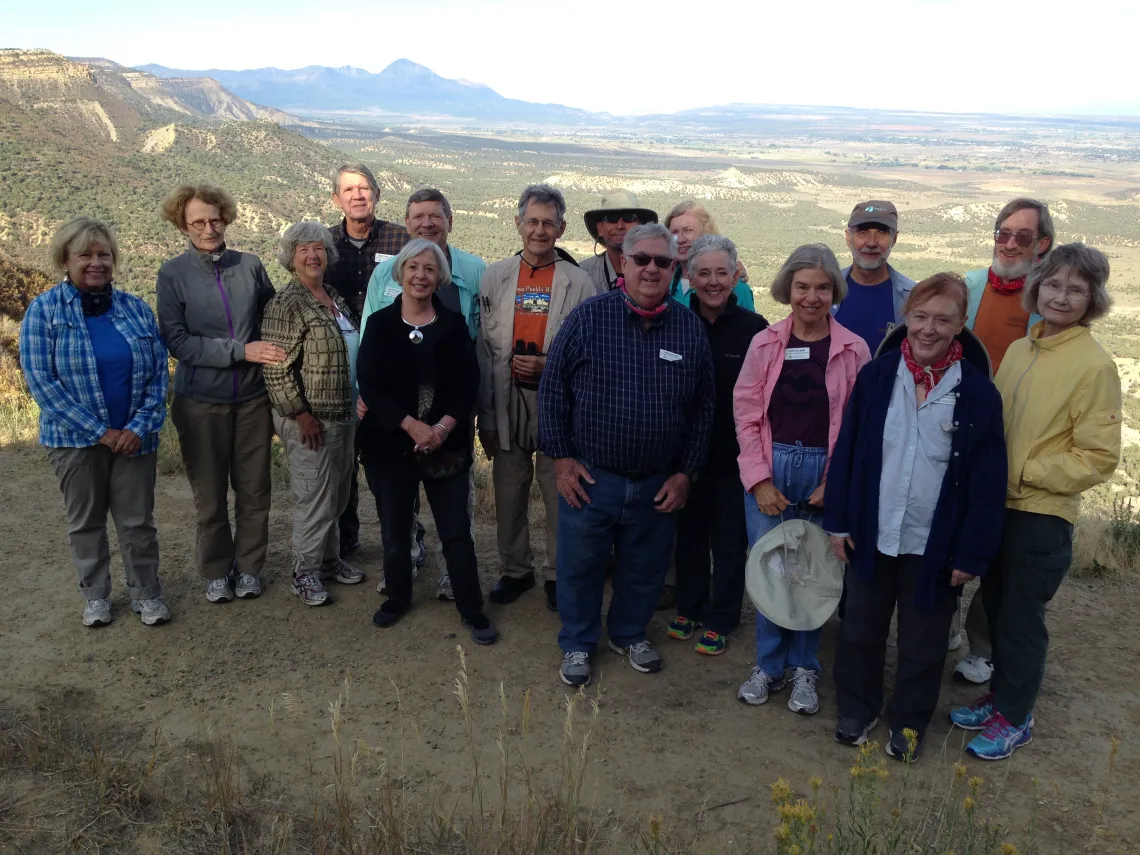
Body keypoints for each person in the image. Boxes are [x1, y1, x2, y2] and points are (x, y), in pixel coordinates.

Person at [823, 274, 1007, 759]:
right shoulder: (877, 377)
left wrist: (973, 552)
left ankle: (908, 723)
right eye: (920, 316)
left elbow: (989, 484)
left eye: (942, 319)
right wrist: (838, 521)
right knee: (860, 629)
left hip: (935, 543)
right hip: (871, 531)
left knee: (923, 644)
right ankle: (857, 709)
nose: (928, 329)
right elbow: (847, 452)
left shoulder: (979, 395)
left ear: (960, 325)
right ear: (906, 318)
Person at [951, 243, 1121, 761]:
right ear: (1036, 288)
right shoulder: (1026, 348)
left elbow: (1097, 456)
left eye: (1075, 289)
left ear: (1093, 299)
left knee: (1022, 619)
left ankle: (1017, 717)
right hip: (997, 507)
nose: (1061, 296)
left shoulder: (1093, 366)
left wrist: (1023, 472)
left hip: (1040, 515)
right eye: (1052, 285)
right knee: (996, 607)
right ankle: (1002, 697)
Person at [538, 223, 715, 687]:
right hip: (593, 477)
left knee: (645, 568)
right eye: (642, 259)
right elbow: (554, 391)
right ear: (625, 263)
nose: (652, 268)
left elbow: (703, 410)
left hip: (658, 481)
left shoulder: (689, 328)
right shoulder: (588, 318)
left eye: (663, 261)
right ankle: (577, 643)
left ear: (675, 268)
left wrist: (686, 475)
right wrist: (561, 459)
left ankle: (629, 633)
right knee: (580, 567)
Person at [733, 244, 870, 715]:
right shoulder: (765, 343)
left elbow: (858, 426)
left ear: (835, 290)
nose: (812, 297)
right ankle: (768, 666)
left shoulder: (854, 349)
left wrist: (836, 484)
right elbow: (746, 414)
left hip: (822, 470)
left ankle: (804, 667)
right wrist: (757, 479)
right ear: (787, 290)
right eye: (802, 286)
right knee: (769, 569)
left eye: (822, 287)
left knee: (813, 571)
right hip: (771, 467)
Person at [21, 218, 171, 627]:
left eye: (103, 254)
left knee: (137, 521)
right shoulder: (44, 311)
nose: (95, 263)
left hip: (134, 439)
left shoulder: (135, 309)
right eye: (85, 255)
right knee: (85, 522)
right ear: (65, 260)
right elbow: (42, 383)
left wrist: (138, 427)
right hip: (74, 441)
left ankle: (146, 592)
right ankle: (96, 596)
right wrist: (99, 432)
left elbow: (159, 375)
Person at [357, 239, 494, 644]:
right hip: (389, 445)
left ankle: (471, 608)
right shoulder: (381, 324)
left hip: (445, 445)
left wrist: (442, 429)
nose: (420, 275)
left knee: (455, 532)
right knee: (395, 530)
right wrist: (412, 426)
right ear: (400, 273)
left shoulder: (452, 325)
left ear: (440, 278)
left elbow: (467, 384)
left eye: (429, 269)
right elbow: (371, 384)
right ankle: (397, 599)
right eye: (413, 267)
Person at [156, 184, 282, 604]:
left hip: (251, 399)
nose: (208, 228)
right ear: (183, 225)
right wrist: (239, 351)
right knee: (209, 496)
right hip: (199, 402)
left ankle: (249, 569)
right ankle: (215, 571)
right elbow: (177, 342)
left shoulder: (250, 266)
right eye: (198, 222)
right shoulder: (172, 274)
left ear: (226, 218)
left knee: (254, 491)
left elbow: (274, 317)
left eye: (215, 219)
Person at [478, 184, 598, 612]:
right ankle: (515, 571)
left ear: (562, 228)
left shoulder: (579, 282)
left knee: (557, 489)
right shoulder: (495, 276)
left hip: (558, 401)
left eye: (549, 223)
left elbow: (589, 352)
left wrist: (550, 365)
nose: (540, 230)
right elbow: (484, 348)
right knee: (509, 488)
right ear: (518, 224)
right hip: (506, 396)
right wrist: (487, 419)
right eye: (532, 221)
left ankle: (557, 574)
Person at [954, 198, 1054, 685]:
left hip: (1013, 439)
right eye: (1003, 233)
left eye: (1022, 236)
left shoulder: (1048, 302)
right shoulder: (969, 287)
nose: (1009, 244)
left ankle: (983, 645)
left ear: (1043, 246)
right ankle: (946, 626)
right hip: (956, 431)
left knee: (997, 553)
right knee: (948, 531)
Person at [669, 234, 768, 655]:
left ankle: (722, 615)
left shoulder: (754, 329)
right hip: (682, 456)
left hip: (734, 458)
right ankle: (689, 606)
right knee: (688, 536)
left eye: (721, 273)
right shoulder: (671, 320)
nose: (712, 282)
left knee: (729, 542)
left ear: (735, 275)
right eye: (703, 272)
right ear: (688, 275)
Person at [261, 222, 365, 607]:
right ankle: (303, 572)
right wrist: (299, 414)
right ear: (291, 257)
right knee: (313, 498)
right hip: (310, 421)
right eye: (303, 249)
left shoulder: (332, 296)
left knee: (337, 497)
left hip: (343, 413)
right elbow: (275, 368)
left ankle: (328, 560)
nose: (312, 255)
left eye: (318, 248)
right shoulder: (286, 303)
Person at [325, 164, 410, 558]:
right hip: (337, 367)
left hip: (390, 366)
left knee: (390, 460)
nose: (357, 195)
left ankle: (406, 539)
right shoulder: (323, 244)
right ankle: (347, 539)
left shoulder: (401, 238)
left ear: (377, 194)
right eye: (349, 190)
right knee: (342, 460)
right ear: (336, 199)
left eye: (364, 188)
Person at [834, 200, 916, 354]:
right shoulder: (826, 290)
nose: (871, 243)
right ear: (848, 237)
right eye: (862, 232)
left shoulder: (913, 297)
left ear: (895, 239)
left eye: (882, 233)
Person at [663, 200, 755, 311]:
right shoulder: (663, 280)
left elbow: (751, 326)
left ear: (705, 232)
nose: (681, 239)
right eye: (674, 232)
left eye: (687, 230)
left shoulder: (734, 287)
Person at [579, 189, 658, 292]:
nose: (620, 226)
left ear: (641, 226)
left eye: (629, 217)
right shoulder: (583, 273)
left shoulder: (656, 269)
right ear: (600, 228)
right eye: (612, 218)